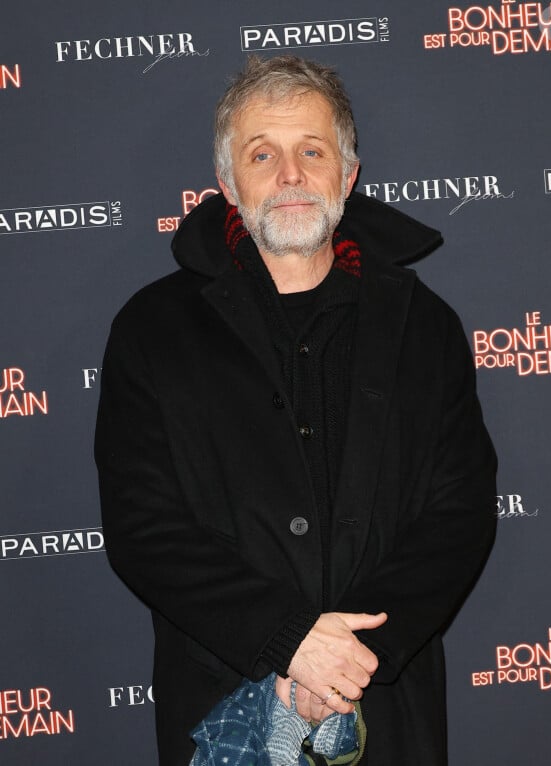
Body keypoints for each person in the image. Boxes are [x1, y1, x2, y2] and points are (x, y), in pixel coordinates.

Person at [95, 55, 497, 766]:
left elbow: (458, 514)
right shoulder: (151, 330)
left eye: (312, 151)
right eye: (262, 154)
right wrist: (287, 640)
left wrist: (348, 659)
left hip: (387, 711)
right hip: (227, 710)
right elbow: (142, 526)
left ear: (347, 174)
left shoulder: (422, 326)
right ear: (228, 184)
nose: (289, 175)